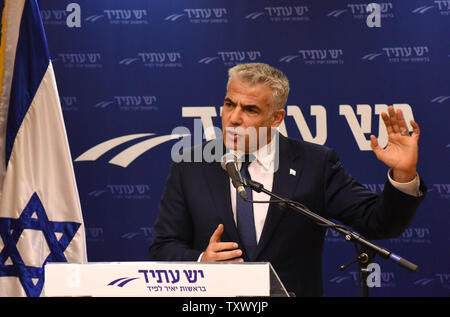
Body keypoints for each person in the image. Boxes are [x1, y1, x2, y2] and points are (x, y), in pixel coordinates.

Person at [149, 63, 426, 296]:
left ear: (276, 117)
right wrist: (201, 261)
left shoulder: (314, 164)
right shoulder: (191, 165)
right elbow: (163, 247)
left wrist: (403, 174)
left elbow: (379, 223)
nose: (233, 118)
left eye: (250, 110)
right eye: (229, 104)